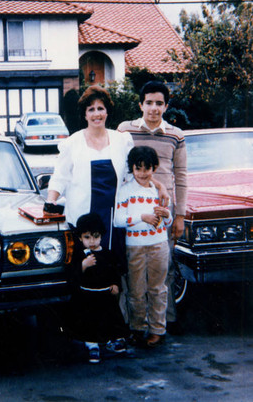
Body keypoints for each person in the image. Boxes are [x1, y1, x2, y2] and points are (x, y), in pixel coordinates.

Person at [46, 85, 168, 273]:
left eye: (100, 108)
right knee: (86, 274)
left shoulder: (121, 140)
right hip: (83, 222)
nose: (97, 114)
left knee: (113, 276)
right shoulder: (72, 143)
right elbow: (59, 178)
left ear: (107, 111)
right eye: (91, 109)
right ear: (85, 114)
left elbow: (133, 173)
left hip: (114, 221)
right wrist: (50, 200)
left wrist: (160, 187)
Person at [117, 80, 187, 332]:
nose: (154, 108)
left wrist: (179, 216)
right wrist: (157, 183)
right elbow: (123, 169)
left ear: (166, 106)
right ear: (140, 104)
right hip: (135, 211)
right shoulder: (125, 130)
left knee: (163, 271)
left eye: (159, 103)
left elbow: (181, 175)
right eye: (149, 103)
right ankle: (131, 323)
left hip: (163, 214)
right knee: (131, 273)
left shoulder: (176, 135)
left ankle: (162, 323)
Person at [115, 146, 173, 347]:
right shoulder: (125, 189)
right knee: (136, 291)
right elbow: (118, 220)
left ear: (154, 168)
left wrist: (166, 216)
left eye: (147, 168)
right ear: (132, 168)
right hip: (135, 247)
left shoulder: (159, 190)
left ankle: (158, 329)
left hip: (159, 244)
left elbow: (168, 221)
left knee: (157, 288)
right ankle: (138, 328)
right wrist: (141, 217)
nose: (142, 173)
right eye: (138, 168)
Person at [66, 213, 128, 363]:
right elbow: (72, 274)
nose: (92, 241)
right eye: (87, 237)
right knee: (89, 320)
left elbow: (114, 271)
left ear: (101, 236)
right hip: (87, 296)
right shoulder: (79, 255)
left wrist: (115, 285)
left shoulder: (107, 253)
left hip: (105, 294)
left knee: (110, 317)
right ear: (80, 238)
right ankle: (92, 345)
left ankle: (114, 339)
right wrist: (83, 265)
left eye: (95, 236)